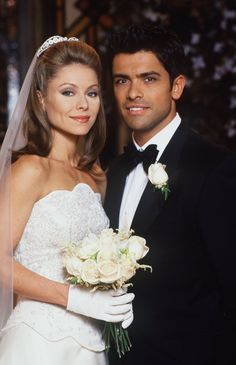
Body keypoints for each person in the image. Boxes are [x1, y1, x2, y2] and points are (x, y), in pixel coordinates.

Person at [104, 23, 236, 365]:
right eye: (122, 80)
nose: (133, 93)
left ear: (176, 86)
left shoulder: (215, 167)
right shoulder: (115, 171)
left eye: (149, 79)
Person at [0, 35, 135, 365]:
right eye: (68, 92)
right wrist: (74, 298)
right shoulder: (31, 169)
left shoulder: (97, 176)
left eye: (91, 93)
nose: (83, 105)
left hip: (91, 344)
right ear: (41, 98)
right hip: (38, 341)